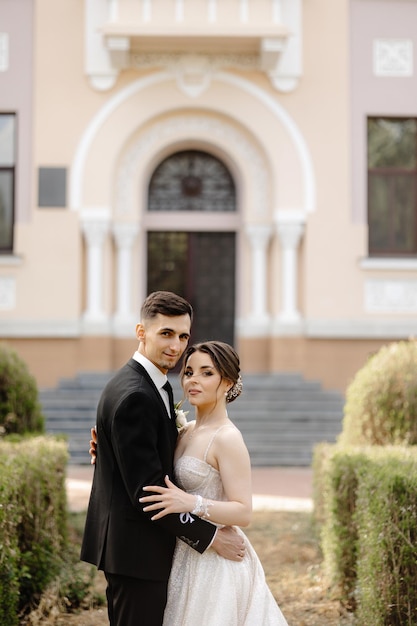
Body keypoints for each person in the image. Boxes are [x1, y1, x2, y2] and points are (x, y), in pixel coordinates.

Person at [80, 291, 245, 626]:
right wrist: (211, 538)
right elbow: (149, 493)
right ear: (141, 332)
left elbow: (145, 456)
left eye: (183, 335)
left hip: (142, 551)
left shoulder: (149, 385)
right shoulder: (137, 395)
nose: (176, 346)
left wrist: (110, 454)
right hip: (137, 553)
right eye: (166, 334)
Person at [137, 340, 289, 625]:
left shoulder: (227, 438)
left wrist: (191, 502)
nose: (194, 380)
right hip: (184, 551)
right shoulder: (186, 429)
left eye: (207, 373)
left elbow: (243, 511)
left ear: (227, 382)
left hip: (218, 563)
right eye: (189, 372)